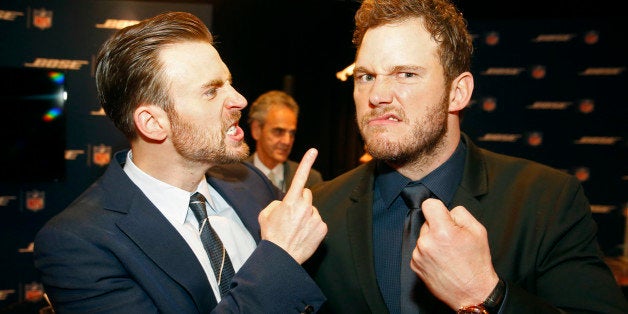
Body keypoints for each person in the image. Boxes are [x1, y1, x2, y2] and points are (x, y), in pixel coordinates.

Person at [306, 0, 628, 313]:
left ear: (458, 92)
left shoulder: (546, 202)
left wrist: (484, 294)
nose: (376, 96)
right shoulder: (318, 213)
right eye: (366, 76)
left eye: (406, 74)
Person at [34, 12, 327, 313]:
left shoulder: (249, 182)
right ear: (152, 123)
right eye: (211, 91)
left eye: (229, 83)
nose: (239, 100)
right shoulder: (78, 243)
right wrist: (278, 258)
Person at [246, 90, 323, 192]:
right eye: (278, 131)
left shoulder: (310, 180)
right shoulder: (234, 176)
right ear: (257, 130)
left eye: (292, 133)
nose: (287, 141)